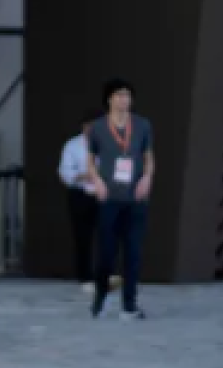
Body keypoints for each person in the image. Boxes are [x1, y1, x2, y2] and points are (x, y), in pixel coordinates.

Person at [85, 78, 154, 320]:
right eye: (119, 95)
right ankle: (101, 298)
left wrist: (147, 178)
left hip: (135, 198)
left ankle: (129, 305)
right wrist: (97, 180)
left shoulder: (142, 125)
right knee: (106, 252)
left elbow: (148, 156)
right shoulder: (98, 128)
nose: (124, 100)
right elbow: (90, 160)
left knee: (133, 252)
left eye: (127, 95)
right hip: (109, 197)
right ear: (109, 99)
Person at [58, 110, 99, 295]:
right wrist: (83, 176)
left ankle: (104, 274)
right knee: (82, 236)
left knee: (107, 235)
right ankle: (85, 276)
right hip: (81, 194)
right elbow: (65, 172)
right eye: (90, 126)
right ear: (84, 127)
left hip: (103, 194)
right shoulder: (73, 145)